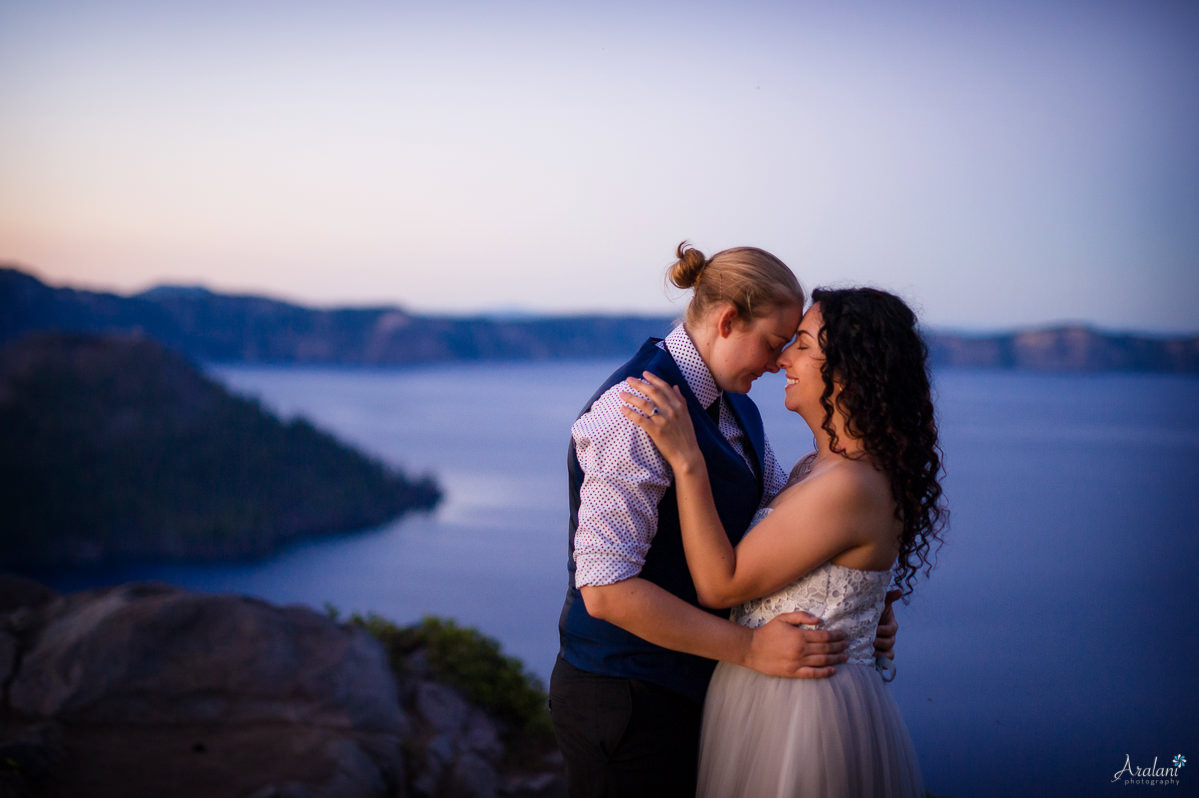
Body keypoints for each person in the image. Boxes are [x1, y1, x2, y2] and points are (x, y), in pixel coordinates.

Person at [549, 244, 898, 798]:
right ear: (729, 320)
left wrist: (851, 610)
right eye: (774, 343)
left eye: (792, 347)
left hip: (692, 695)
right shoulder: (634, 409)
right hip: (624, 698)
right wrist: (750, 649)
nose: (779, 361)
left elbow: (784, 529)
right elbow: (606, 592)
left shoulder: (739, 409)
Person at [620, 286, 946, 798]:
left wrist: (688, 462)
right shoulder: (818, 467)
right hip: (775, 692)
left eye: (802, 345)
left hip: (803, 712)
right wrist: (868, 610)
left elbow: (720, 584)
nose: (782, 359)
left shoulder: (847, 486)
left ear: (848, 371)